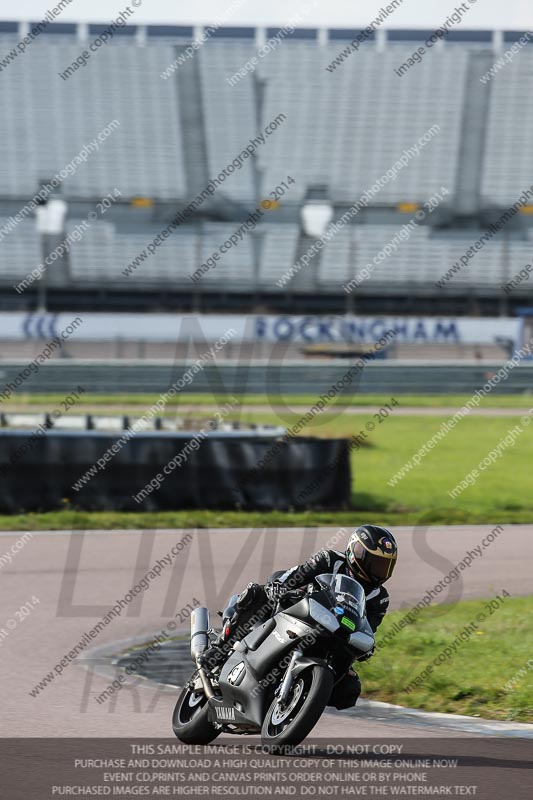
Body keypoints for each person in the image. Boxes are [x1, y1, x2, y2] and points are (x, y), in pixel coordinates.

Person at [199, 524, 398, 709]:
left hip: (335, 631)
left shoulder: (379, 598)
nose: (381, 571)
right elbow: (296, 574)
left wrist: (367, 647)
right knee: (256, 594)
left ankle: (302, 696)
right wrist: (281, 587)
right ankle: (219, 648)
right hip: (297, 608)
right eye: (376, 563)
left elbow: (368, 627)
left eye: (386, 566)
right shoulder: (329, 560)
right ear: (357, 553)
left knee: (350, 688)